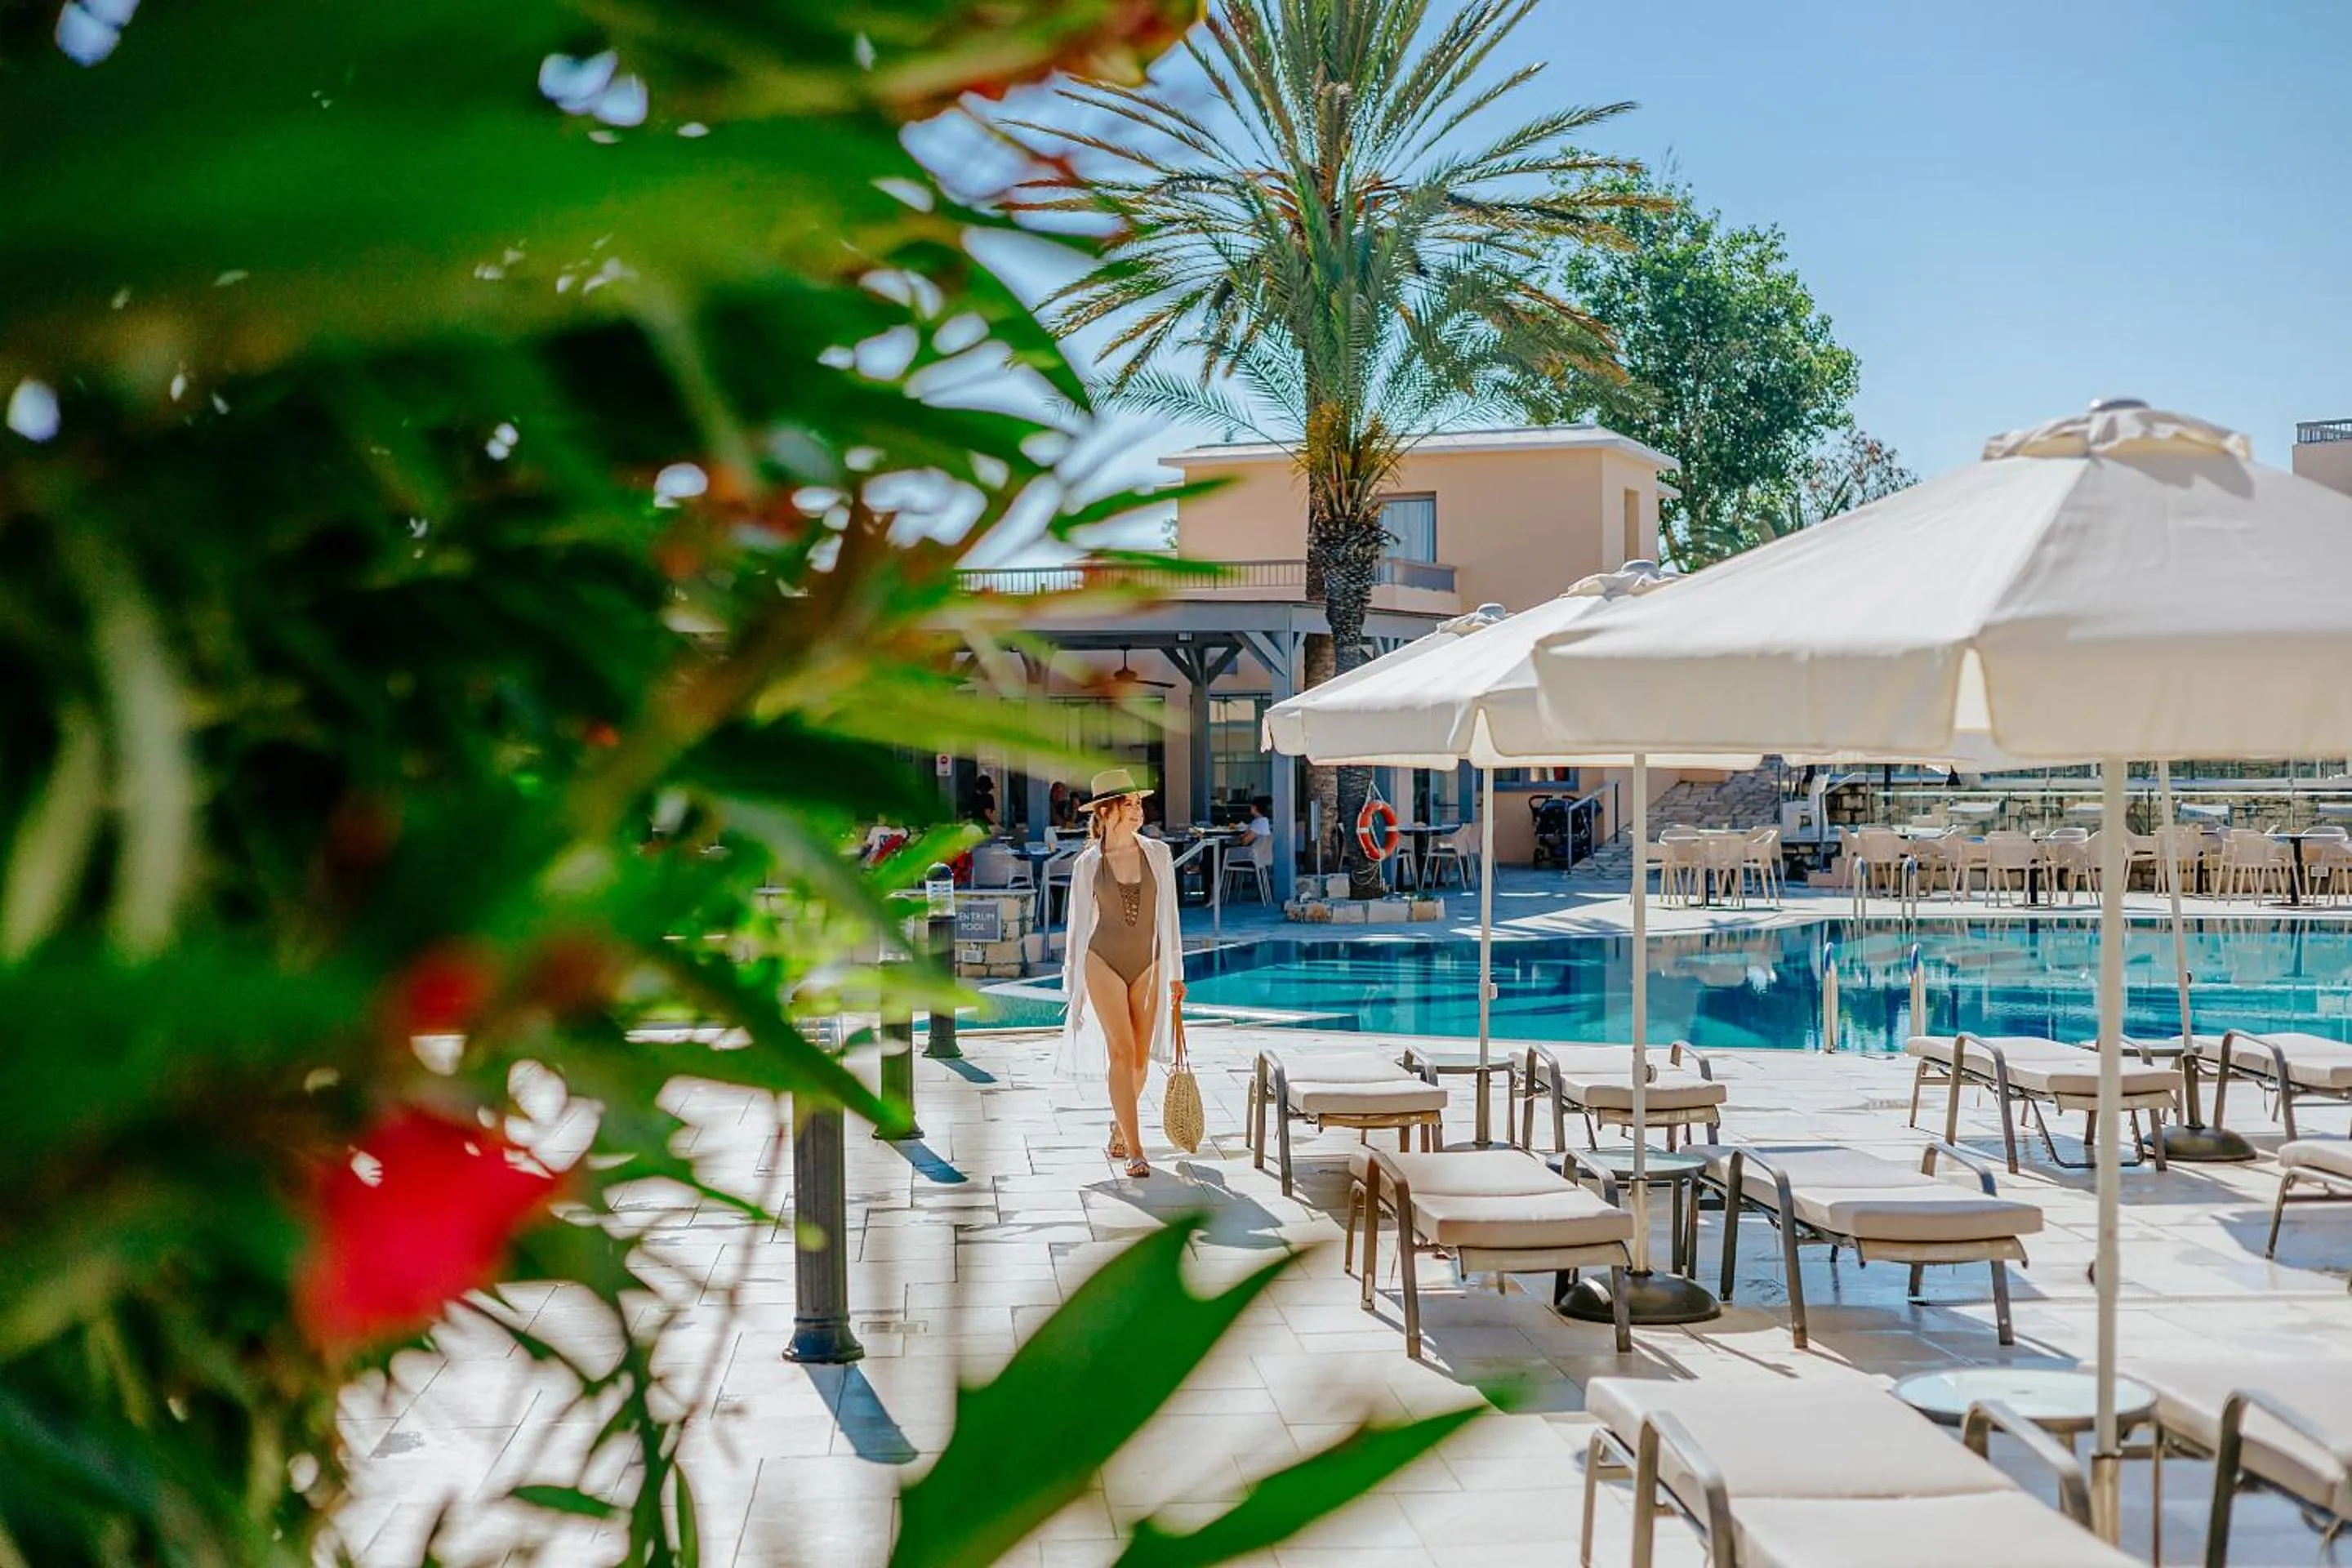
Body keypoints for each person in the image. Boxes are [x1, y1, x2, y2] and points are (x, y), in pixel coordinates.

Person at [1056, 768, 1185, 1178]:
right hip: (1102, 961)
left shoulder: (1158, 854)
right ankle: (1135, 1148)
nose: (1138, 811)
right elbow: (1077, 930)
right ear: (1106, 812)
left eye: (1139, 803)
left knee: (1141, 1058)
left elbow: (1171, 918)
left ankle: (1119, 1123)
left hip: (1150, 961)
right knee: (1122, 1051)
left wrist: (1176, 973)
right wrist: (1073, 986)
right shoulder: (1087, 865)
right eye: (1128, 805)